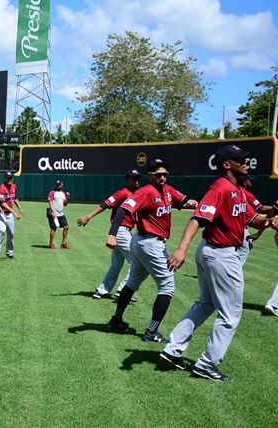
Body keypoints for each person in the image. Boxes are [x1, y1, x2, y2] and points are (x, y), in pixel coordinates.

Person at [161, 145, 278, 381]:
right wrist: (181, 249)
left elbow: (254, 220)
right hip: (221, 254)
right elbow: (198, 219)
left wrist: (270, 220)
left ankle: (173, 350)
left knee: (206, 304)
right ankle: (206, 365)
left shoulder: (239, 190)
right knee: (231, 315)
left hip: (215, 252)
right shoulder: (221, 187)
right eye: (240, 160)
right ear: (227, 165)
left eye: (246, 158)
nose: (246, 162)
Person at [107, 159, 198, 343]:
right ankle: (152, 332)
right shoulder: (145, 192)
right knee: (167, 286)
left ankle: (117, 319)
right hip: (149, 243)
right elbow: (122, 211)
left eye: (165, 174)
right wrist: (112, 234)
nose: (163, 177)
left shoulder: (168, 190)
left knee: (132, 282)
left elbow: (184, 200)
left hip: (146, 243)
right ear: (150, 175)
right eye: (158, 174)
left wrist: (191, 203)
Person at [78, 170, 141, 300]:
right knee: (136, 261)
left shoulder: (137, 195)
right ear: (128, 179)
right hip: (120, 230)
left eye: (137, 178)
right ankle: (124, 290)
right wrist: (88, 217)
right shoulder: (123, 193)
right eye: (133, 178)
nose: (136, 181)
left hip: (124, 231)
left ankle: (102, 290)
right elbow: (105, 204)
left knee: (116, 264)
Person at [237, 175, 273, 265]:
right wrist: (274, 208)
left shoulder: (237, 191)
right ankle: (233, 273)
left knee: (246, 245)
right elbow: (261, 208)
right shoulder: (246, 194)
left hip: (238, 223)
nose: (251, 182)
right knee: (244, 249)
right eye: (250, 181)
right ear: (245, 182)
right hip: (240, 225)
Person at [0, 171, 24, 260]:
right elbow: (2, 203)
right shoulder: (1, 188)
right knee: (2, 230)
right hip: (0, 212)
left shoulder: (14, 187)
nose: (9, 179)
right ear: (5, 178)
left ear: (13, 178)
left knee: (11, 234)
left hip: (9, 213)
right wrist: (14, 212)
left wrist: (20, 208)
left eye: (10, 178)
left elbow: (15, 198)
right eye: (7, 178)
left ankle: (9, 253)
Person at [47, 180, 71, 249]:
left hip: (61, 213)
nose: (58, 186)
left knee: (66, 227)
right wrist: (53, 211)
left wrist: (68, 198)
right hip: (54, 213)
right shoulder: (52, 192)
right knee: (54, 228)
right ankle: (51, 243)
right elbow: (50, 202)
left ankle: (63, 243)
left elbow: (65, 204)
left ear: (61, 185)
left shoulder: (63, 193)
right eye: (57, 185)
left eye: (59, 185)